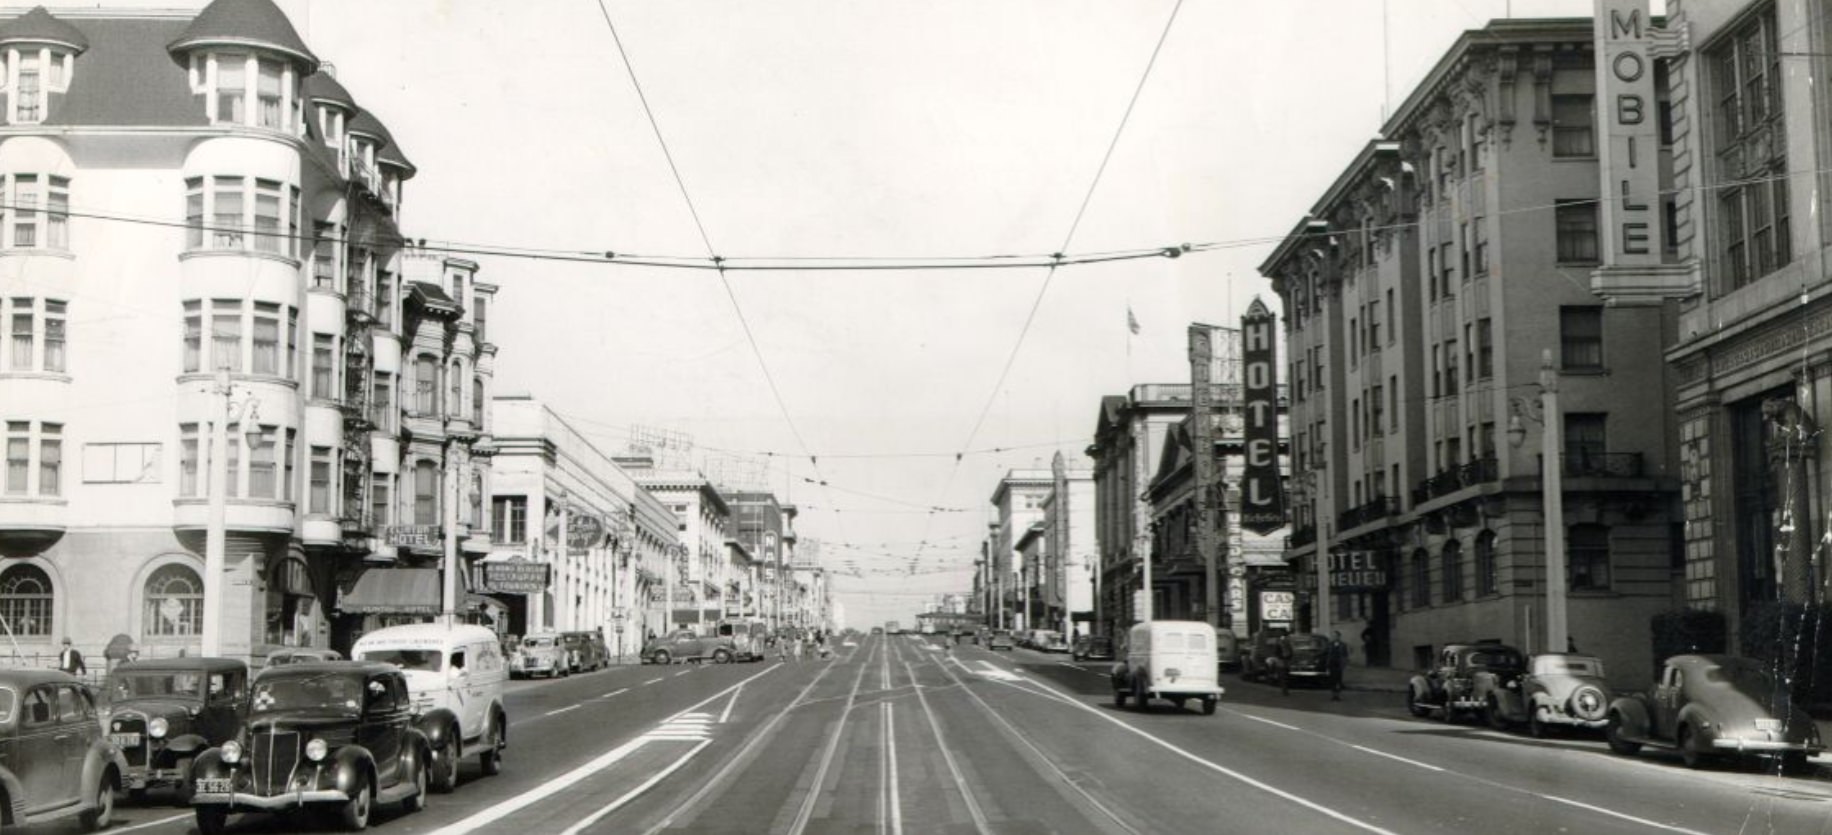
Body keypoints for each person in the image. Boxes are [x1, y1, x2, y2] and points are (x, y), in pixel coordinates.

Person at [1327, 630, 1351, 701]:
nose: (1334, 637)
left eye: (1336, 636)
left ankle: (1338, 695)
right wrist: (1327, 664)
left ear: (1339, 637)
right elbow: (1328, 654)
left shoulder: (1343, 645)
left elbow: (1345, 655)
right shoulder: (1330, 644)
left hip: (1339, 664)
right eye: (1333, 636)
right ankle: (1333, 695)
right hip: (1332, 663)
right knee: (1332, 680)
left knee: (1338, 680)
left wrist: (1345, 663)